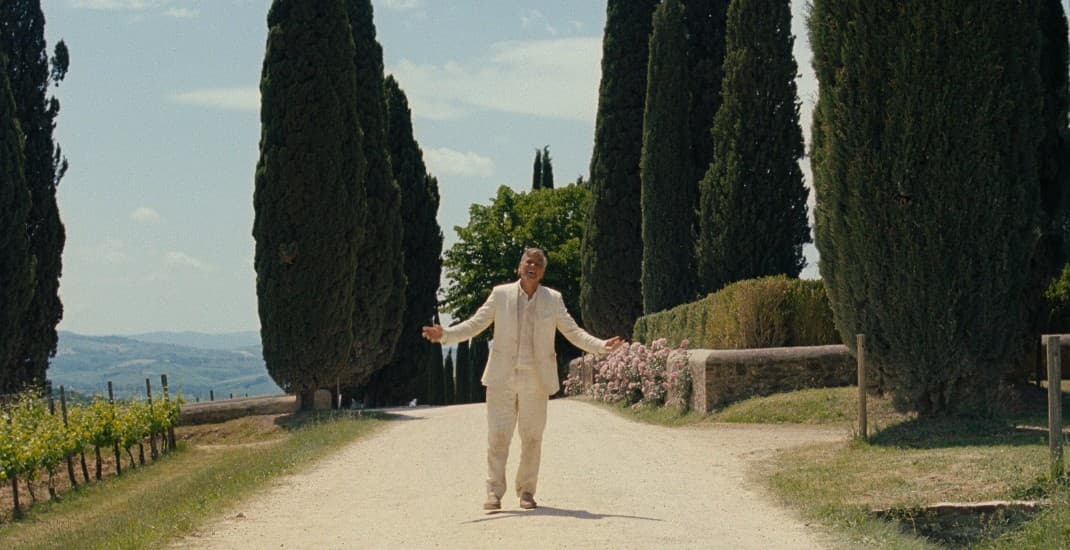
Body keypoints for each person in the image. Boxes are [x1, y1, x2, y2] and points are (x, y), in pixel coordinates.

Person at [422, 247, 623, 511]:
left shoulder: (553, 299)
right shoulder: (500, 294)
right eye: (529, 262)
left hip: (536, 380)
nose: (532, 267)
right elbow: (475, 324)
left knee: (532, 437)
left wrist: (600, 346)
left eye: (538, 265)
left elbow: (572, 332)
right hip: (501, 378)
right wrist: (446, 335)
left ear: (542, 271)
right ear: (520, 266)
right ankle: (493, 493)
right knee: (498, 436)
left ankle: (526, 491)